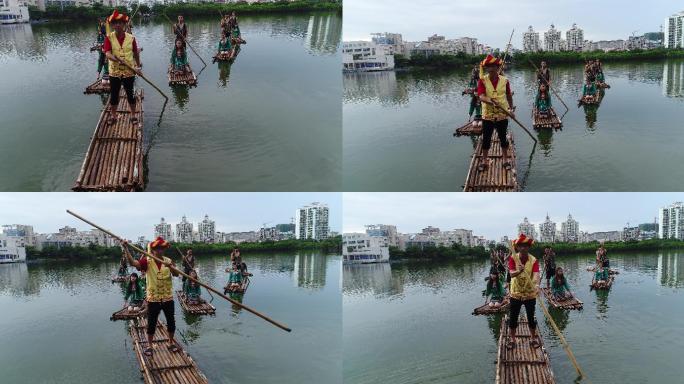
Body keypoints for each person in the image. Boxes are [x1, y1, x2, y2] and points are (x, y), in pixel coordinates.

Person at [122, 237, 180, 357]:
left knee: (171, 322)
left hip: (168, 297)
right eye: (157, 249)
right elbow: (133, 263)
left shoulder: (168, 260)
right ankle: (149, 345)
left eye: (161, 248)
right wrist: (125, 248)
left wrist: (170, 267)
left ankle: (170, 342)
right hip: (153, 298)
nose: (159, 251)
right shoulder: (147, 261)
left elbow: (176, 274)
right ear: (152, 250)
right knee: (152, 323)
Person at [103, 10, 142, 126]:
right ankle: (114, 115)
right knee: (114, 95)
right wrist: (117, 59)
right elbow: (108, 53)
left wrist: (138, 67)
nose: (118, 25)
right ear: (112, 25)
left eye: (120, 23)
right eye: (115, 23)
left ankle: (133, 115)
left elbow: (136, 53)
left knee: (130, 94)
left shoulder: (131, 38)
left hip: (129, 70)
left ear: (124, 24)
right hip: (114, 71)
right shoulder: (109, 38)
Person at [477, 54, 514, 172]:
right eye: (489, 67)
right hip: (487, 115)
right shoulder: (482, 81)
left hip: (502, 115)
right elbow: (481, 96)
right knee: (486, 139)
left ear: (498, 68)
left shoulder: (505, 81)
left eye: (494, 66)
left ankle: (505, 160)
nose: (491, 69)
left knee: (503, 138)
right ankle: (484, 161)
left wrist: (511, 109)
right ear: (486, 68)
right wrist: (490, 101)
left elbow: (508, 96)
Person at [507, 233, 541, 349]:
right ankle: (512, 339)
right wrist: (519, 271)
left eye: (526, 246)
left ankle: (533, 339)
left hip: (529, 294)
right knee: (513, 318)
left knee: (531, 318)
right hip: (515, 293)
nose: (523, 248)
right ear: (517, 247)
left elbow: (536, 275)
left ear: (529, 247)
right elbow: (511, 274)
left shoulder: (534, 260)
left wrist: (536, 285)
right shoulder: (512, 258)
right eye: (521, 246)